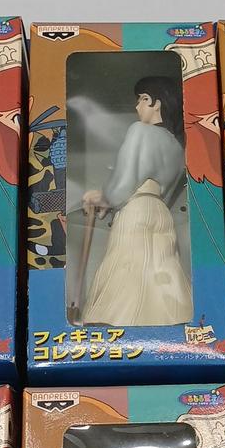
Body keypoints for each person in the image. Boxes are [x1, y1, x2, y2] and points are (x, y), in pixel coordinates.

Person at [79, 76, 192, 326]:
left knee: (126, 268)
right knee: (163, 271)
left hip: (137, 209)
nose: (137, 106)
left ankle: (119, 329)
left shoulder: (139, 130)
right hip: (161, 212)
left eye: (143, 99)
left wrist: (104, 197)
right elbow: (168, 191)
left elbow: (123, 181)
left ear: (156, 103)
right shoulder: (177, 148)